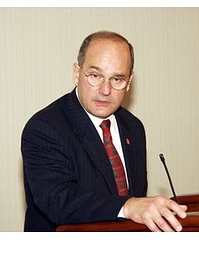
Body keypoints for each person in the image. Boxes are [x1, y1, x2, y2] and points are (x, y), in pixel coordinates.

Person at [21, 31, 187, 232]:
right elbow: (58, 200)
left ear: (129, 82)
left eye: (117, 79)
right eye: (95, 76)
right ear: (76, 73)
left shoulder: (133, 127)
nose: (105, 89)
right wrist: (127, 206)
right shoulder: (45, 127)